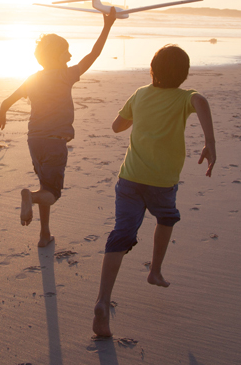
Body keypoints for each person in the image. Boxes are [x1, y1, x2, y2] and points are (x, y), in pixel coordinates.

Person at [92, 44, 216, 337]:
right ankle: (155, 270)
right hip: (162, 182)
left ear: (152, 69)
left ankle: (102, 299)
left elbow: (116, 127)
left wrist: (137, 115)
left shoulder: (140, 94)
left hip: (130, 179)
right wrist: (210, 141)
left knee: (121, 234)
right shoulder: (185, 97)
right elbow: (201, 101)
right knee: (166, 218)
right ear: (185, 74)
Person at [0, 8, 117, 247]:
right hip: (55, 142)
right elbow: (95, 53)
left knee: (44, 186)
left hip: (34, 141)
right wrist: (108, 26)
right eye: (66, 52)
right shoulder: (66, 75)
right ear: (57, 57)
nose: (70, 56)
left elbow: (7, 101)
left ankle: (44, 234)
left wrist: (2, 115)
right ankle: (30, 196)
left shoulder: (33, 79)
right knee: (51, 194)